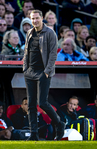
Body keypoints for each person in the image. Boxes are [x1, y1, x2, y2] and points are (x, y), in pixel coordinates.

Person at [23, 10, 65, 141]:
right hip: (30, 72)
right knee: (31, 105)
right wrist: (25, 68)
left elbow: (53, 54)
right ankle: (33, 134)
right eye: (32, 19)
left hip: (43, 72)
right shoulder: (30, 32)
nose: (34, 21)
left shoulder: (50, 33)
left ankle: (59, 123)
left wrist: (47, 71)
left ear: (41, 18)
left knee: (42, 103)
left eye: (36, 18)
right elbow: (26, 52)